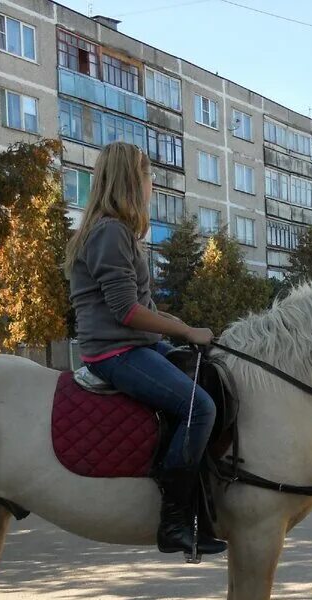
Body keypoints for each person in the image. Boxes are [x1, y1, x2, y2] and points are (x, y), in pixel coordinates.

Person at [64, 142, 225, 556]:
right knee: (199, 406)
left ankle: (204, 514)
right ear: (131, 181)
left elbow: (144, 307)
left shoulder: (118, 233)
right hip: (113, 354)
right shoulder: (111, 233)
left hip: (137, 346)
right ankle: (174, 520)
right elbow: (127, 312)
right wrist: (187, 330)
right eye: (148, 174)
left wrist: (177, 330)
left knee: (207, 376)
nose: (152, 182)